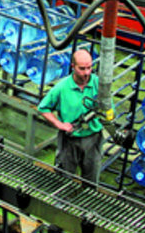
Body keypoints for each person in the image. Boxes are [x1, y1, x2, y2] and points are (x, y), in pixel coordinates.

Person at [37, 48, 102, 184]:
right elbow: (43, 108)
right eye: (82, 68)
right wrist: (60, 124)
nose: (87, 73)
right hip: (69, 140)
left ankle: (87, 203)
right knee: (62, 179)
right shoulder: (62, 87)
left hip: (93, 139)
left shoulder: (98, 84)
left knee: (91, 181)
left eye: (89, 68)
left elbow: (108, 110)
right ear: (73, 67)